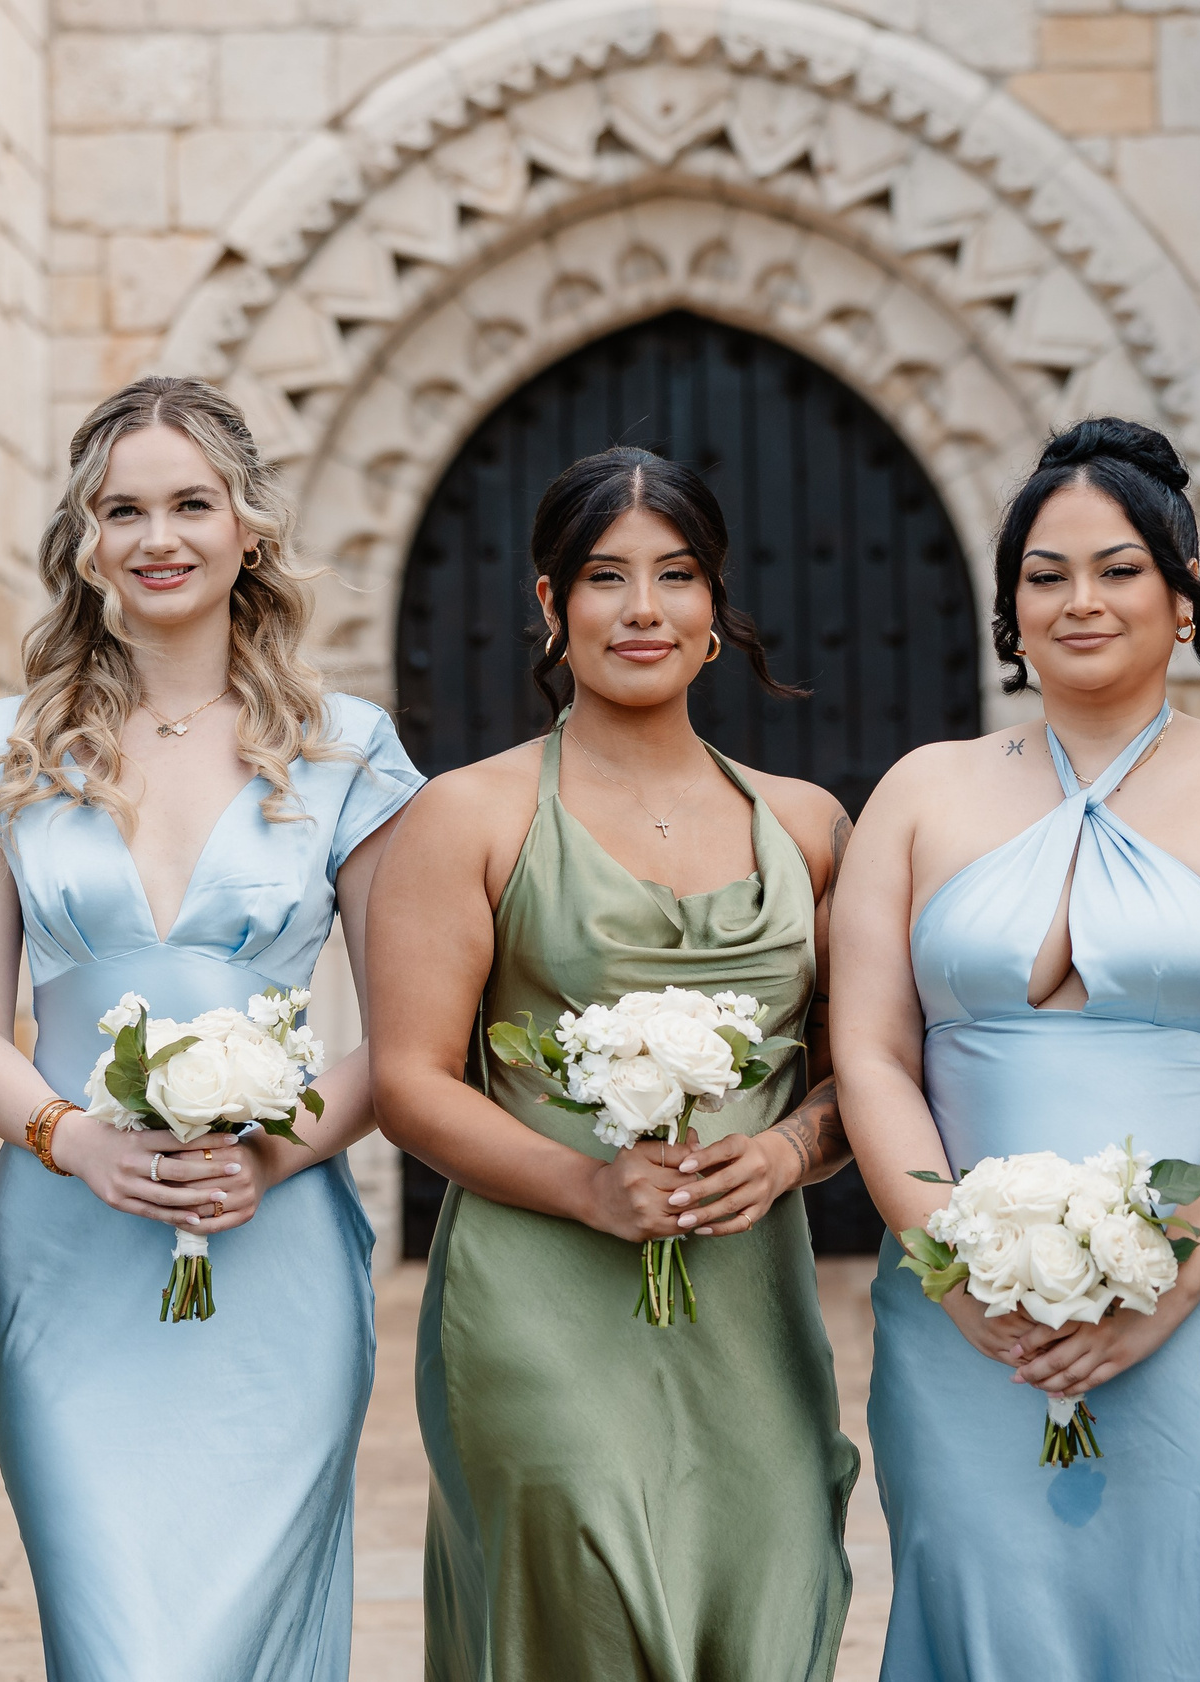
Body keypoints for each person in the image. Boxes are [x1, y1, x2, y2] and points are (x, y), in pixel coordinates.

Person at [832, 419, 1200, 1682]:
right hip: (970, 1318)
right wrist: (956, 1268)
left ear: (1183, 598)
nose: (1081, 599)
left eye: (1120, 568)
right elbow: (867, 1050)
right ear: (1009, 612)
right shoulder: (921, 790)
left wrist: (1169, 1281)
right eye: (1045, 573)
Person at [0, 375, 420, 1678]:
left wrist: (272, 1150)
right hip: (68, 1244)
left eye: (192, 502)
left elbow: (402, 1038)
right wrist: (69, 1134)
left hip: (277, 1250)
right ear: (86, 539)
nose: (160, 536)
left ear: (246, 526)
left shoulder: (346, 751)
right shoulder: (4, 748)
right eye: (124, 508)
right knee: (119, 1641)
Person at [366, 446, 860, 1681]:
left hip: (750, 1308)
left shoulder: (808, 824)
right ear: (550, 606)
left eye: (676, 576)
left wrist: (791, 1147)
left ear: (714, 610)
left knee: (774, 1578)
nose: (643, 608)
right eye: (604, 577)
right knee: (574, 1603)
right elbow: (409, 1080)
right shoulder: (467, 816)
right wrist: (590, 1186)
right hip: (539, 1301)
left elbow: (870, 1072)